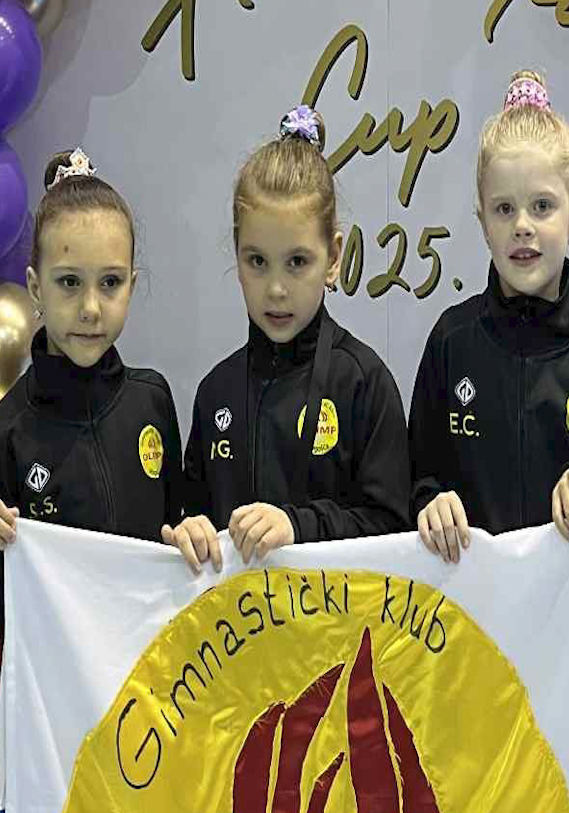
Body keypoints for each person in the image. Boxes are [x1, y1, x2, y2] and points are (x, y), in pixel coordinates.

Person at [408, 69, 569, 719]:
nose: (523, 226)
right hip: (469, 654)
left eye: (542, 207)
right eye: (504, 209)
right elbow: (414, 476)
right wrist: (429, 502)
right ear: (481, 222)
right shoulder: (450, 344)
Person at [0, 148, 186, 650]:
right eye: (69, 282)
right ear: (35, 287)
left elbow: (180, 546)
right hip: (62, 687)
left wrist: (195, 534)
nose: (90, 308)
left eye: (110, 283)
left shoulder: (153, 401)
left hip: (154, 679)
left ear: (132, 286)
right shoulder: (4, 434)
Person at [165, 105, 410, 574]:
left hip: (336, 622)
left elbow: (394, 531)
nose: (276, 289)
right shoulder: (216, 393)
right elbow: (194, 523)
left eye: (297, 262)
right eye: (257, 261)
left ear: (333, 258)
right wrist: (189, 531)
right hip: (236, 623)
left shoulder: (364, 383)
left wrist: (299, 526)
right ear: (237, 255)